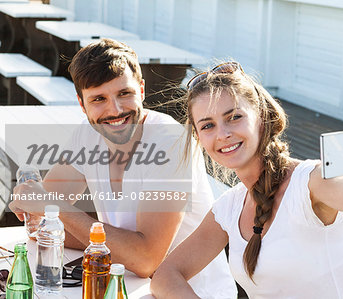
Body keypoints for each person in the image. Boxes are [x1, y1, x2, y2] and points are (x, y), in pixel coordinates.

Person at [150, 61, 343, 298]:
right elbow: (165, 276)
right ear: (200, 139)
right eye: (208, 125)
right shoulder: (228, 207)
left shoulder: (309, 183)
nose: (222, 133)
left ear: (261, 118)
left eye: (234, 117)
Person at [9, 39, 237, 298]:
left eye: (124, 94)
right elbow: (42, 223)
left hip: (190, 292)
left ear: (141, 90)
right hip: (122, 286)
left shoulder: (168, 140)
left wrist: (55, 208)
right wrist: (46, 209)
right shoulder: (87, 134)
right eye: (98, 99)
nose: (114, 110)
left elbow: (145, 259)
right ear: (82, 105)